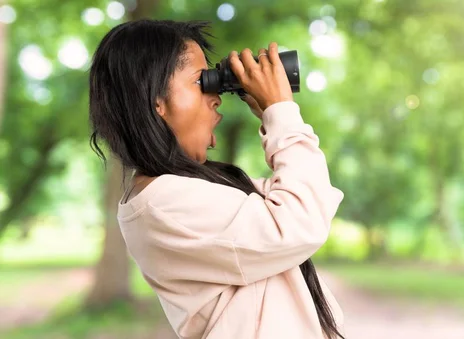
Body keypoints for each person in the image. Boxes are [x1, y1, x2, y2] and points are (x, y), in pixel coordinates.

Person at [88, 19, 345, 339]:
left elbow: (303, 193)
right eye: (201, 81)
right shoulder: (164, 204)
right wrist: (280, 111)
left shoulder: (184, 191)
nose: (217, 96)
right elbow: (301, 219)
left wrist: (269, 107)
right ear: (156, 100)